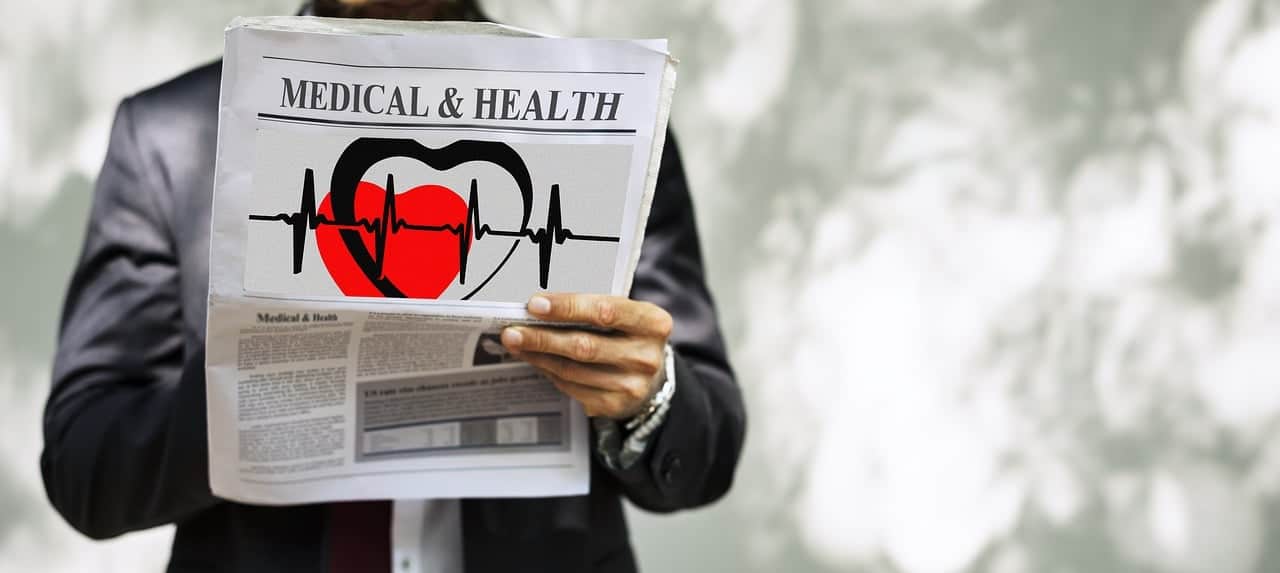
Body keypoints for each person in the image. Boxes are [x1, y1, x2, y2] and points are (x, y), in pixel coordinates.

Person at [40, 1, 745, 571]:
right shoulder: (167, 137)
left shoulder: (610, 125)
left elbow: (709, 448)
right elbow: (85, 468)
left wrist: (647, 396)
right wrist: (246, 380)